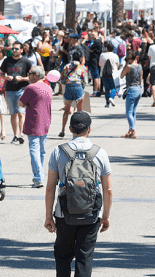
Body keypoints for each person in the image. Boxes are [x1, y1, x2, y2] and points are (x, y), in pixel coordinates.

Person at [44, 111, 112, 277]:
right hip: (91, 213)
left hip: (64, 213)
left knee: (62, 256)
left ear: (70, 128)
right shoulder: (100, 153)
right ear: (89, 130)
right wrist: (106, 216)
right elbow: (108, 189)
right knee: (84, 257)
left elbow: (50, 188)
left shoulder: (58, 152)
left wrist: (48, 217)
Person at [19, 66, 52, 188]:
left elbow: (20, 103)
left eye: (30, 74)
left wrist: (28, 104)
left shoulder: (31, 88)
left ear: (36, 75)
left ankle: (38, 178)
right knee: (42, 151)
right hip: (46, 121)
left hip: (33, 121)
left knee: (34, 150)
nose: (28, 76)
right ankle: (39, 175)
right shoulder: (48, 87)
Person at [1, 42, 33, 145]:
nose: (14, 50)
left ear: (21, 50)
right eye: (13, 49)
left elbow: (31, 77)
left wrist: (23, 78)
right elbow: (1, 73)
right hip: (9, 90)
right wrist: (5, 77)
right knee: (13, 114)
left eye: (16, 49)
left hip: (22, 89)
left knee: (21, 113)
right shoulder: (7, 60)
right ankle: (15, 135)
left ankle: (21, 135)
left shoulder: (26, 61)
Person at [59, 50, 87, 138]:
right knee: (80, 112)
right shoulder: (82, 67)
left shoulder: (66, 66)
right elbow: (84, 80)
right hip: (78, 87)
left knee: (66, 111)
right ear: (80, 58)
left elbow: (62, 79)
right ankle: (79, 131)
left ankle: (62, 130)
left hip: (68, 87)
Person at [119, 52, 143, 139]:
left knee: (129, 112)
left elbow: (121, 76)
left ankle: (133, 131)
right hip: (138, 89)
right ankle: (130, 131)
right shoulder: (140, 66)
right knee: (133, 112)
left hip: (131, 89)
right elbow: (140, 79)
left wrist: (125, 65)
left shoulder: (128, 67)